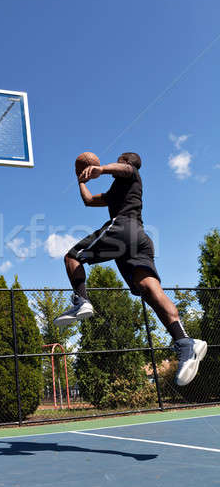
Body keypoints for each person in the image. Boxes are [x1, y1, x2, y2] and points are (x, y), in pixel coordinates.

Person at [53, 152, 207, 386]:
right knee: (149, 289)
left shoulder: (131, 174)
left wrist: (101, 169)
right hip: (139, 241)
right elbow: (90, 201)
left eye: (119, 161)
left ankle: (82, 301)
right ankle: (185, 341)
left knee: (72, 257)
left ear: (125, 162)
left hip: (124, 230)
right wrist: (81, 182)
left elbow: (124, 169)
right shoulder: (117, 190)